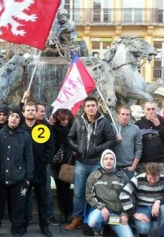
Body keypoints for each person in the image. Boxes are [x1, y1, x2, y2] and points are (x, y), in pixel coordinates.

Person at [66, 96, 116, 231]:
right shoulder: (78, 121)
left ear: (97, 107)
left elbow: (111, 140)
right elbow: (70, 137)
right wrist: (77, 148)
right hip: (81, 163)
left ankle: (94, 219)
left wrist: (97, 149)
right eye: (88, 106)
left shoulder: (104, 122)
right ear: (84, 107)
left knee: (98, 192)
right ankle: (77, 219)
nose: (90, 108)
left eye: (93, 105)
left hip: (96, 163)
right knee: (78, 193)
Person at [0, 108, 33, 237]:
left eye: (17, 117)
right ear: (8, 118)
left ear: (20, 120)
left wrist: (28, 178)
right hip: (1, 178)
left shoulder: (25, 137)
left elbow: (29, 159)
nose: (14, 119)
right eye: (12, 116)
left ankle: (16, 229)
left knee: (18, 207)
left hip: (18, 178)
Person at [20, 102, 55, 237]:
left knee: (42, 201)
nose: (30, 112)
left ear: (36, 112)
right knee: (23, 201)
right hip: (23, 172)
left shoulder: (44, 128)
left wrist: (43, 161)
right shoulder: (20, 129)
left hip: (39, 170)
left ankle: (44, 227)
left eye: (33, 110)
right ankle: (22, 226)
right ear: (23, 113)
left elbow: (51, 147)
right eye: (27, 110)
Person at [119, 163, 164, 237]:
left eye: (155, 178)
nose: (152, 181)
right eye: (150, 178)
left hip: (158, 207)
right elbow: (123, 194)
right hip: (142, 207)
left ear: (159, 175)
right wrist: (134, 214)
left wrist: (159, 201)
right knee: (143, 229)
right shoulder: (137, 179)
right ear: (146, 174)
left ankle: (161, 235)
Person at [85, 150, 133, 237]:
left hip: (116, 216)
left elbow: (130, 197)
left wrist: (125, 214)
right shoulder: (94, 176)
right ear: (102, 161)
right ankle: (99, 231)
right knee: (92, 221)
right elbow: (89, 196)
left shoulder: (123, 176)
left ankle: (111, 226)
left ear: (114, 161)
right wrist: (102, 207)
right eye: (106, 158)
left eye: (111, 159)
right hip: (101, 213)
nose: (108, 161)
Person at [135, 101, 164, 174]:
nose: (151, 111)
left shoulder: (163, 122)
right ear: (144, 110)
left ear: (156, 109)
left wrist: (159, 126)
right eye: (148, 109)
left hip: (159, 162)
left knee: (161, 184)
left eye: (153, 109)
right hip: (142, 163)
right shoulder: (138, 124)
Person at [50, 109, 74, 224]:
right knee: (60, 190)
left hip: (67, 164)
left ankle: (68, 213)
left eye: (67, 119)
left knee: (66, 189)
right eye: (62, 119)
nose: (65, 122)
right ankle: (64, 213)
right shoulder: (53, 129)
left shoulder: (72, 130)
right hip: (55, 164)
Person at [114, 105, 142, 179]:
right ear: (118, 115)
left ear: (130, 116)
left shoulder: (135, 129)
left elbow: (138, 149)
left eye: (127, 114)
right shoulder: (111, 127)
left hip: (128, 167)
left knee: (128, 190)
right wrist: (115, 140)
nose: (125, 117)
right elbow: (106, 146)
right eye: (123, 114)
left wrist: (133, 166)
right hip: (113, 167)